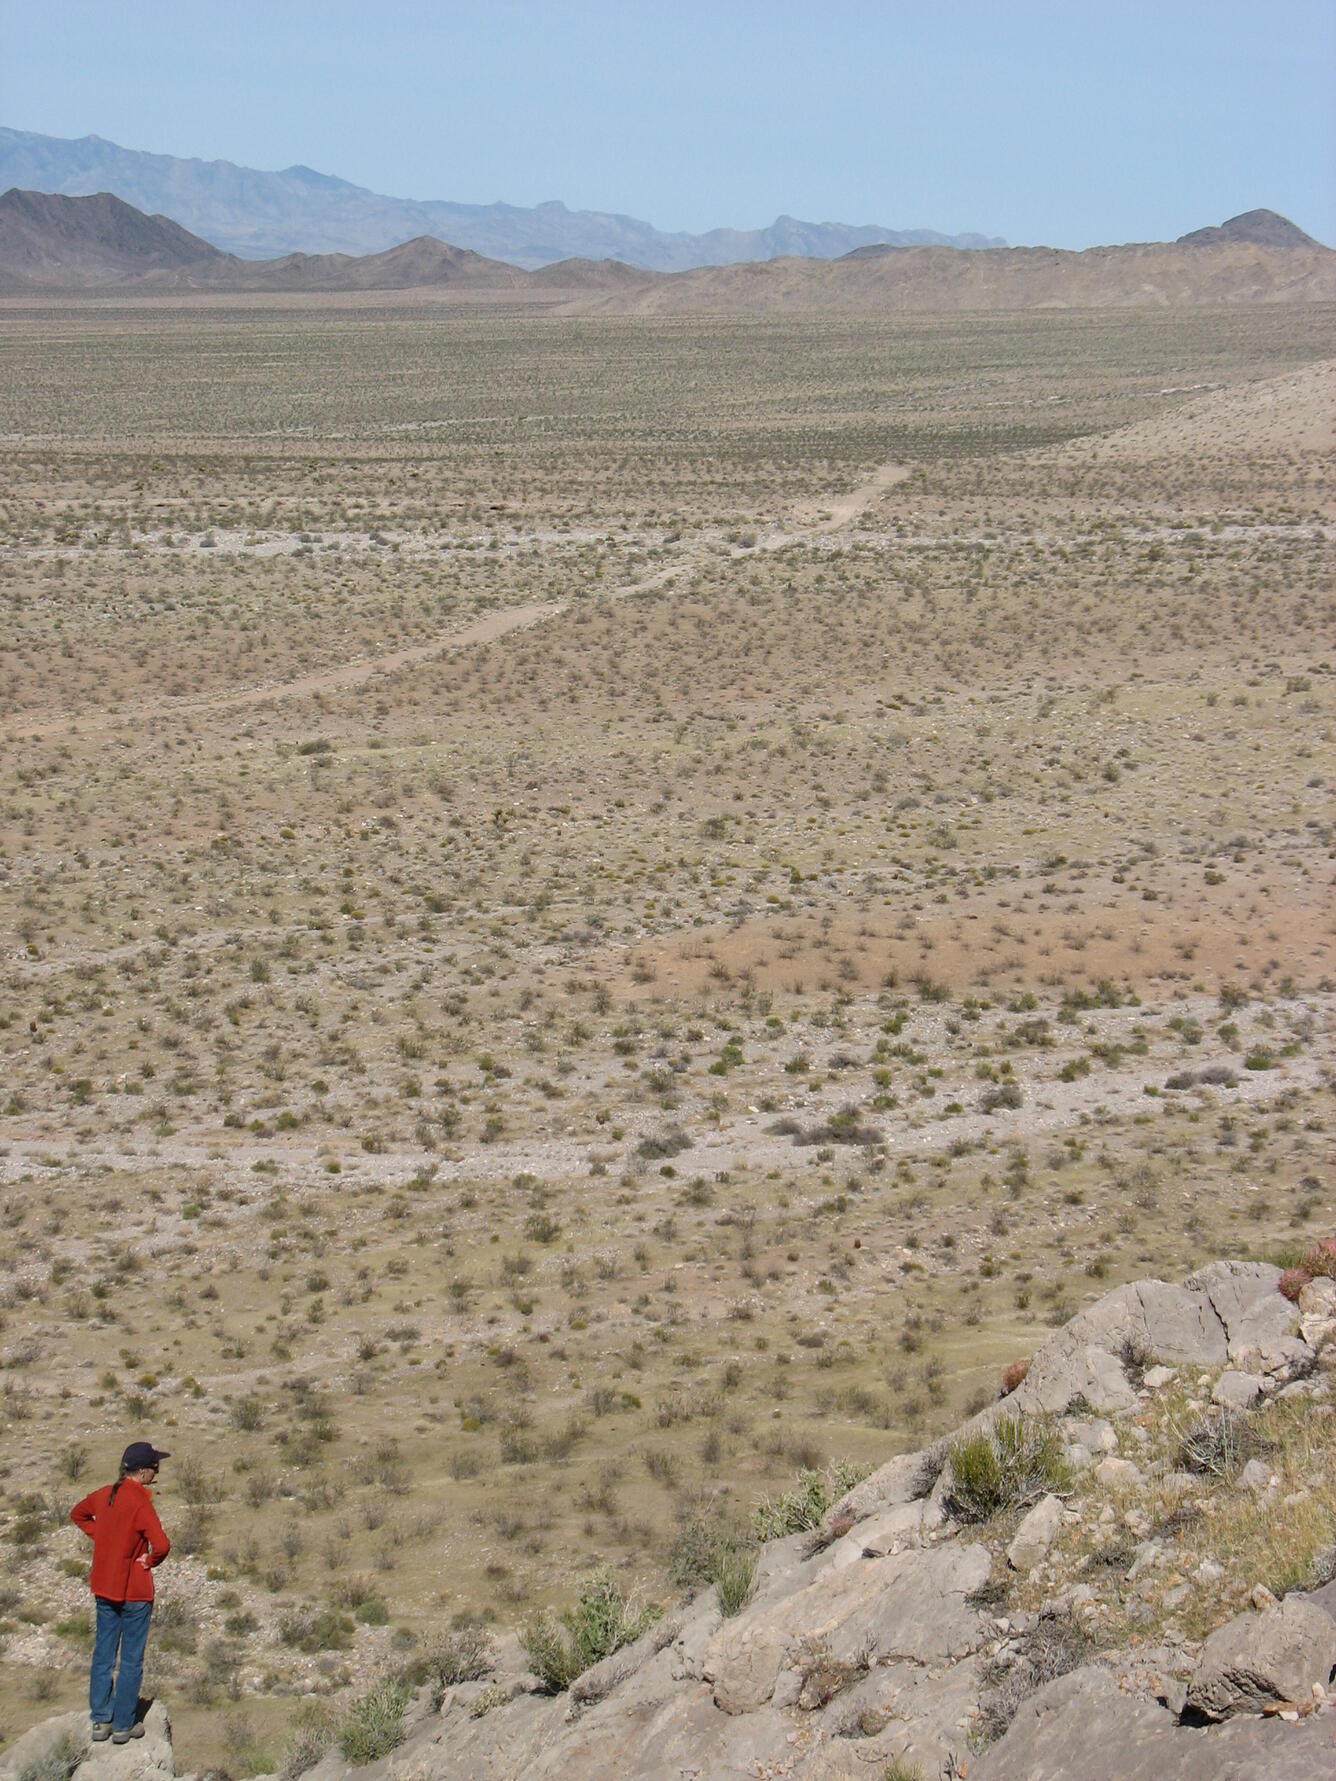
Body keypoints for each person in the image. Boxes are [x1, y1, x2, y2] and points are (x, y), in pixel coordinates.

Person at [70, 1442, 171, 1745]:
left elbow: (78, 1514)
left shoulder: (105, 1495)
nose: (157, 1472)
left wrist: (101, 1537)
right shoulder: (140, 1503)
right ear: (142, 1472)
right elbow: (163, 1545)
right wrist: (149, 1560)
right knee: (130, 1659)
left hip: (105, 1587)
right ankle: (124, 1725)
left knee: (103, 1653)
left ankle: (101, 1720)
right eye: (155, 1467)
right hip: (135, 1592)